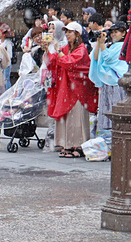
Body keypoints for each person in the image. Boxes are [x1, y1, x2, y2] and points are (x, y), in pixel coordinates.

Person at [42, 21, 98, 158]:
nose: (67, 34)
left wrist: (57, 50)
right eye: (66, 32)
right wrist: (47, 50)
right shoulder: (67, 48)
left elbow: (69, 62)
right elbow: (54, 61)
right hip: (67, 87)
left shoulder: (82, 49)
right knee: (67, 117)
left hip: (78, 88)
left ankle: (79, 145)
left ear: (77, 34)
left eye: (69, 32)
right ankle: (67, 144)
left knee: (77, 118)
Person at [89, 21, 128, 133]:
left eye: (116, 32)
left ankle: (117, 136)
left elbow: (108, 59)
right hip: (107, 84)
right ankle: (106, 136)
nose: (113, 34)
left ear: (124, 33)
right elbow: (96, 58)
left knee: (115, 113)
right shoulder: (109, 45)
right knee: (106, 113)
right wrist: (99, 42)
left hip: (117, 84)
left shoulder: (123, 46)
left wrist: (102, 45)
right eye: (112, 32)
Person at [0, 23, 14, 89]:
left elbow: (10, 55)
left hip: (7, 63)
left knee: (6, 78)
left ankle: (7, 91)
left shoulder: (8, 43)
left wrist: (4, 58)